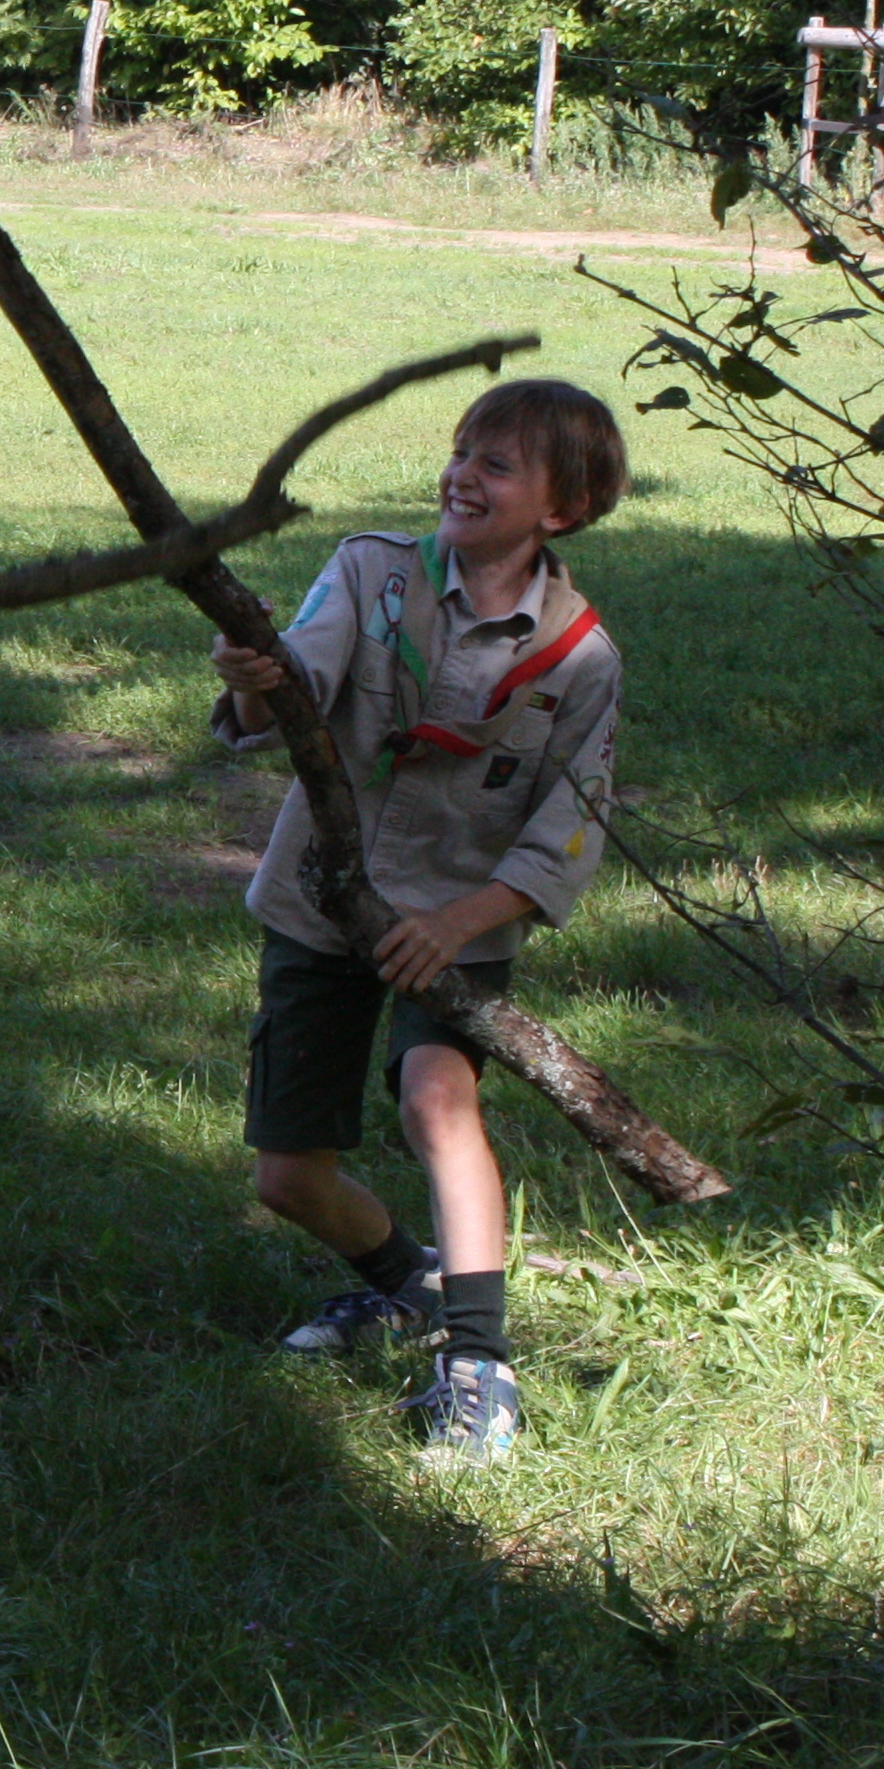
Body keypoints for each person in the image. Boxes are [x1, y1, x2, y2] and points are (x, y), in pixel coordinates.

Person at [211, 378, 627, 1461]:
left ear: (563, 508)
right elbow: (298, 683)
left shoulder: (580, 657)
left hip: (459, 921)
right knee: (287, 1175)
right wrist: (256, 683)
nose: (461, 475)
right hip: (320, 900)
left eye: (496, 464)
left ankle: (478, 1361)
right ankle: (408, 1284)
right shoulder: (373, 571)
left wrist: (460, 921)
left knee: (436, 1098)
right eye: (459, 453)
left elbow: (568, 830)